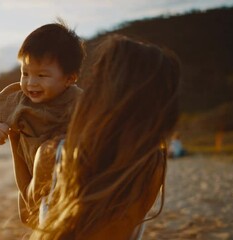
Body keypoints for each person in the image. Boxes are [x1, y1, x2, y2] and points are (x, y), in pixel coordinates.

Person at [27, 34, 181, 239]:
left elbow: (29, 213)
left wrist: (14, 141)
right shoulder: (153, 165)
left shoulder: (55, 154)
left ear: (99, 91)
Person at [0, 20, 85, 226]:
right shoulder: (18, 99)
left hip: (69, 176)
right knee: (33, 217)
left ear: (69, 78)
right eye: (25, 73)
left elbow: (102, 120)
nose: (31, 83)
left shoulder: (79, 101)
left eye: (41, 75)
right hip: (28, 174)